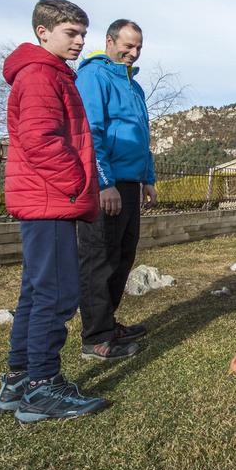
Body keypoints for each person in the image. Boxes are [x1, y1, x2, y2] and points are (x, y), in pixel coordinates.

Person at [0, 0, 108, 423]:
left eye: (82, 33)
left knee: (37, 292)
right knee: (57, 294)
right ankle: (43, 387)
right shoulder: (42, 74)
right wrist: (77, 184)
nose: (80, 41)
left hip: (44, 200)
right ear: (43, 32)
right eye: (71, 33)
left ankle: (19, 380)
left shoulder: (48, 73)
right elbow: (41, 139)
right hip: (51, 202)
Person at [75, 19, 156, 361]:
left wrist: (147, 178)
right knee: (100, 258)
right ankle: (95, 337)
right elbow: (91, 131)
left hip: (130, 182)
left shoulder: (134, 87)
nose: (133, 53)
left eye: (138, 47)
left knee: (123, 254)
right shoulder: (93, 76)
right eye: (127, 45)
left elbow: (141, 136)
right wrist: (104, 183)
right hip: (104, 185)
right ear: (109, 41)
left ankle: (108, 322)